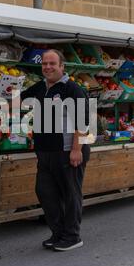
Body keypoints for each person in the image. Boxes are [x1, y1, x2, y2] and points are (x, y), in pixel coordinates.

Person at [20, 49, 90, 251]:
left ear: (62, 66)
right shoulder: (41, 87)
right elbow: (20, 100)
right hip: (45, 153)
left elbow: (84, 121)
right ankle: (58, 233)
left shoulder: (72, 89)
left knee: (70, 194)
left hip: (68, 151)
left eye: (52, 63)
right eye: (44, 64)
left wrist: (76, 149)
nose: (47, 67)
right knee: (45, 192)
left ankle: (72, 236)